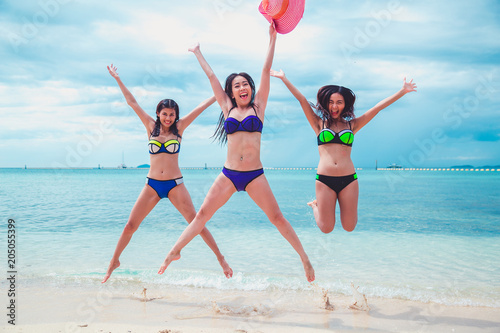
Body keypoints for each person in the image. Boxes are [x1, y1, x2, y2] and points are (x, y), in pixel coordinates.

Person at [158, 24, 315, 282]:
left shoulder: (259, 106)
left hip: (254, 175)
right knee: (201, 217)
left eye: (245, 84)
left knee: (277, 217)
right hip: (229, 174)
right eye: (237, 85)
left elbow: (265, 70)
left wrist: (272, 38)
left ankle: (304, 259)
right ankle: (174, 252)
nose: (243, 88)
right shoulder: (226, 107)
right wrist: (198, 52)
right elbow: (212, 79)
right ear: (231, 91)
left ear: (250, 88)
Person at [102, 64, 233, 283]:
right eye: (165, 114)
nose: (168, 118)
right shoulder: (150, 125)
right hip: (152, 184)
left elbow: (201, 107)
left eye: (172, 115)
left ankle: (221, 260)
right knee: (130, 225)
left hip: (175, 184)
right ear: (158, 114)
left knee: (197, 222)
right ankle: (113, 262)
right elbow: (132, 102)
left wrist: (221, 94)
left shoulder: (179, 128)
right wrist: (117, 78)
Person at [270, 69, 417, 233]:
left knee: (349, 227)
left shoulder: (352, 125)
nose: (334, 106)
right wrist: (284, 78)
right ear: (326, 103)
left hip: (349, 180)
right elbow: (302, 100)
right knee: (326, 228)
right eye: (331, 102)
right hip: (324, 180)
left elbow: (377, 108)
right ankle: (314, 206)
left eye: (339, 102)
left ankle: (324, 205)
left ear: (345, 104)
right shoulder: (318, 124)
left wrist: (402, 92)